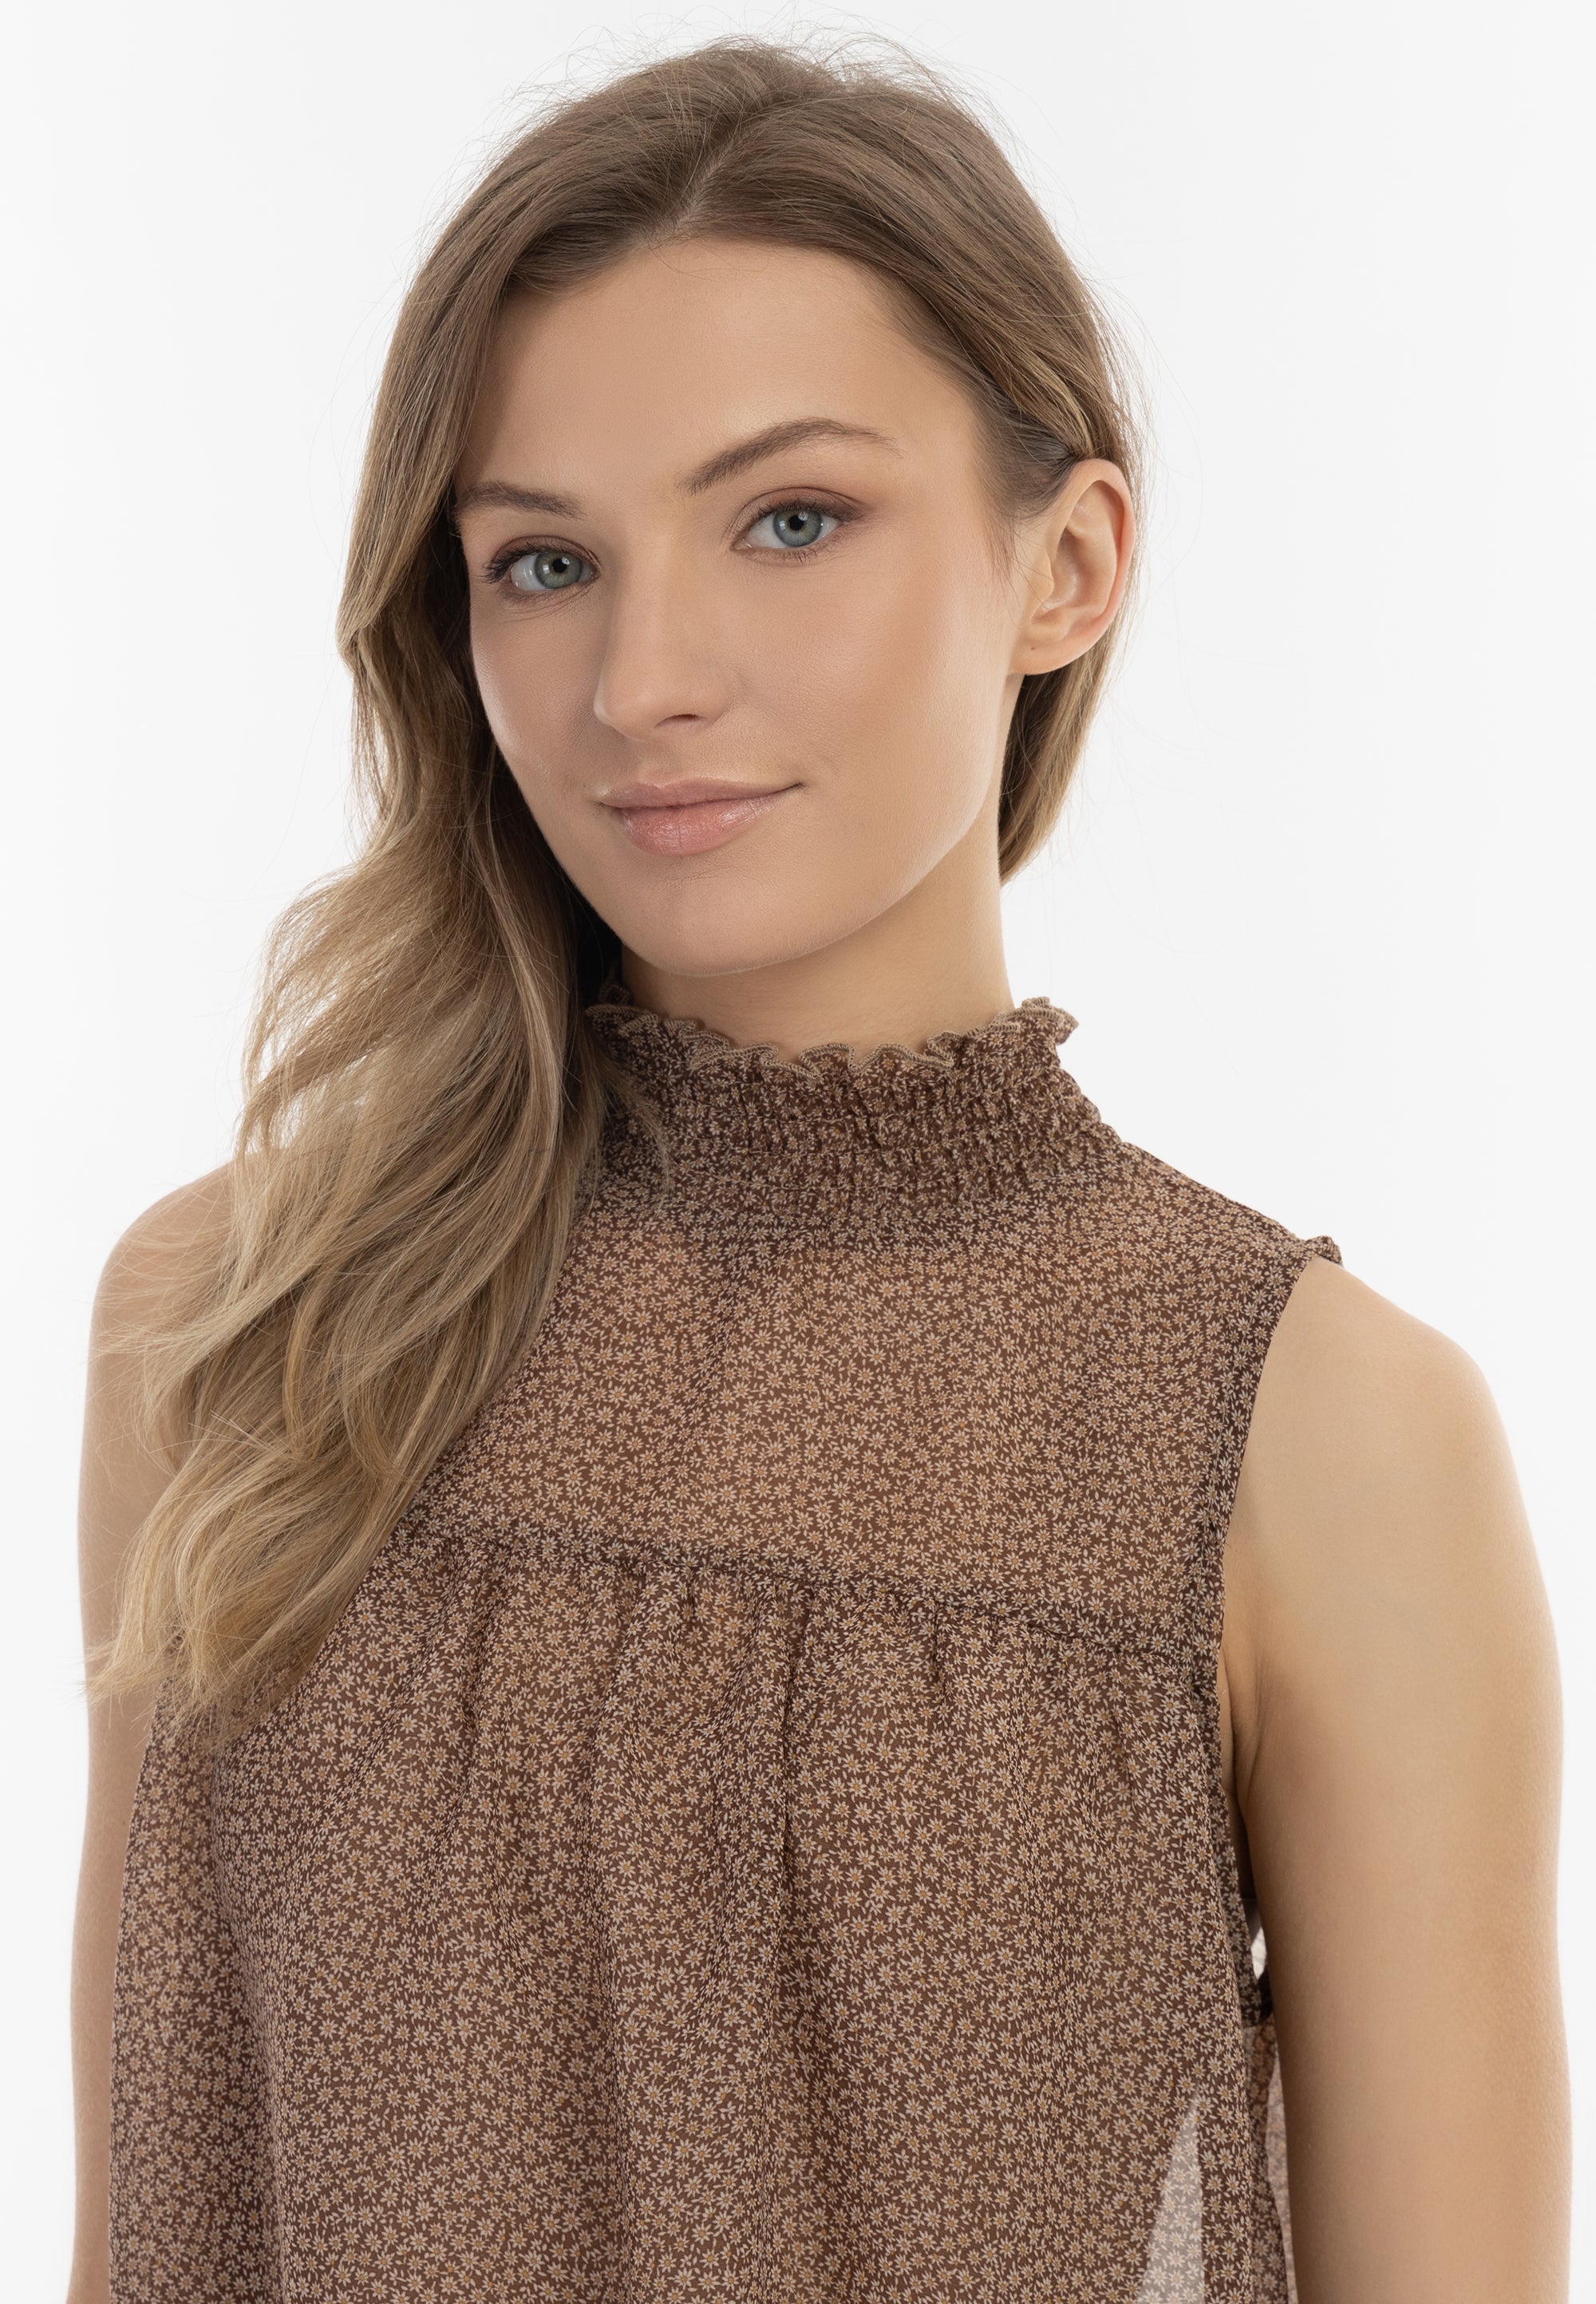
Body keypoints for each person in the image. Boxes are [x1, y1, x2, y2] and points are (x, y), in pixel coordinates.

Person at [69, 34, 1569, 2304]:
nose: (641, 678)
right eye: (543, 561)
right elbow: (153, 2212)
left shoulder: (1311, 1437)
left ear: (1069, 563)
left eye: (789, 521)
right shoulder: (246, 1331)